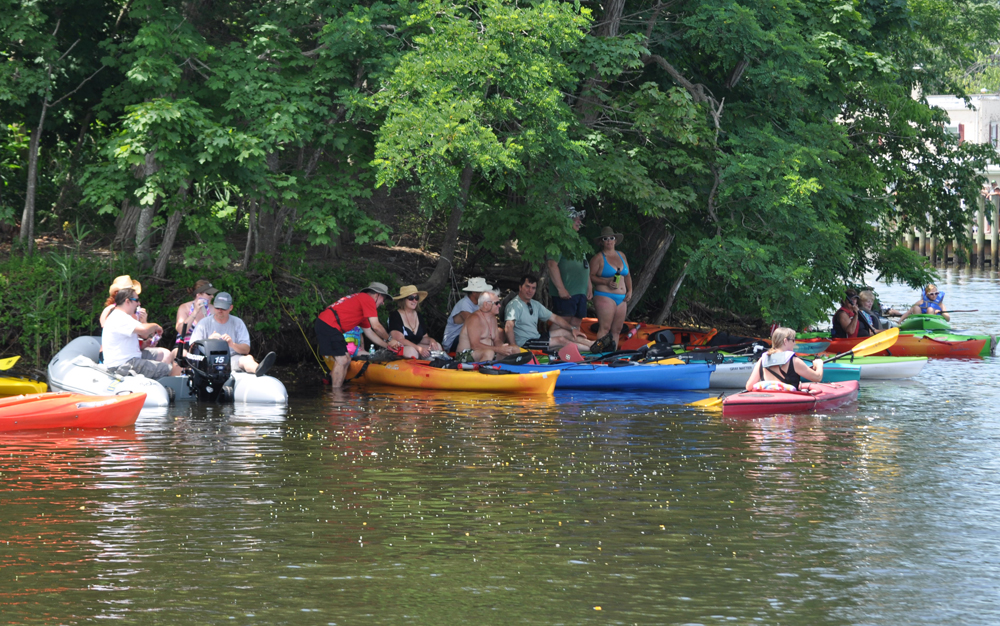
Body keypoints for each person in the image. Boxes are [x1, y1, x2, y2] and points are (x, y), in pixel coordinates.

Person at [316, 282, 402, 388]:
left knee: (347, 359)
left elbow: (369, 332)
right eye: (383, 299)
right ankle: (336, 395)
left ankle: (336, 388)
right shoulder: (367, 299)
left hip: (330, 326)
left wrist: (387, 346)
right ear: (377, 295)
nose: (383, 303)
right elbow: (376, 326)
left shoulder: (361, 304)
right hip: (328, 324)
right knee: (342, 359)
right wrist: (390, 339)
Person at [188, 291, 277, 377]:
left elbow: (246, 349)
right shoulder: (204, 323)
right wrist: (209, 342)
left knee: (247, 358)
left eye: (223, 308)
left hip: (231, 359)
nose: (220, 310)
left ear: (230, 308)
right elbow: (193, 347)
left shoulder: (238, 323)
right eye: (217, 307)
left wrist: (232, 344)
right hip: (209, 361)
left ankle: (258, 369)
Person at [102, 287, 182, 379]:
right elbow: (144, 330)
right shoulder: (120, 317)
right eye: (136, 300)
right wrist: (156, 326)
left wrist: (144, 344)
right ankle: (171, 390)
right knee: (173, 369)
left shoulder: (122, 316)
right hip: (124, 365)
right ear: (127, 301)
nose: (139, 303)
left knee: (163, 354)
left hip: (128, 360)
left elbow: (144, 335)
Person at [503, 274, 593, 353]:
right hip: (525, 344)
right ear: (520, 287)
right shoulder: (514, 305)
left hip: (536, 338)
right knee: (560, 340)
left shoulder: (535, 304)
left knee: (564, 332)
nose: (530, 290)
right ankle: (591, 349)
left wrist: (572, 328)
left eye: (533, 288)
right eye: (527, 286)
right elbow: (508, 326)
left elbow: (555, 318)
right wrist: (513, 346)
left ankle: (593, 344)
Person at [99, 274, 173, 364]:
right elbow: (105, 325)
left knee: (165, 354)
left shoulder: (134, 311)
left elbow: (143, 334)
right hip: (114, 352)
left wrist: (144, 321)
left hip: (133, 349)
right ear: (118, 294)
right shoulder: (111, 310)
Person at [546, 206, 593, 329]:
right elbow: (552, 264)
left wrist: (589, 286)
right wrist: (561, 289)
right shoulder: (559, 240)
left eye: (579, 219)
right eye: (576, 219)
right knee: (563, 321)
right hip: (567, 291)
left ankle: (570, 348)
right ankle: (552, 347)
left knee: (577, 321)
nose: (579, 222)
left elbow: (584, 264)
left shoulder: (579, 241)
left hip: (580, 291)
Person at [588, 226, 632, 350]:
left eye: (611, 238)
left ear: (615, 240)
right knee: (605, 328)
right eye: (605, 238)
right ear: (602, 241)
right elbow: (590, 276)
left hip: (622, 298)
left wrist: (630, 290)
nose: (609, 240)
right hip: (605, 296)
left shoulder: (621, 255)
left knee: (617, 330)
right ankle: (599, 355)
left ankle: (611, 355)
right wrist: (605, 282)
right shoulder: (598, 258)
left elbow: (627, 275)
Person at [745, 327, 823, 391]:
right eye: (793, 340)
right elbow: (817, 377)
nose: (794, 343)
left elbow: (749, 387)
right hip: (789, 403)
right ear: (785, 341)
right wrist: (819, 364)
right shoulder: (794, 361)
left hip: (768, 400)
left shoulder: (762, 360)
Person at [456, 291, 521, 362]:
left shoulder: (493, 318)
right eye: (496, 303)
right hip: (465, 354)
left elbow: (496, 340)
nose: (499, 305)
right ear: (486, 304)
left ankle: (510, 372)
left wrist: (503, 347)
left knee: (515, 349)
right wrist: (498, 349)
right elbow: (475, 345)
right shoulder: (475, 318)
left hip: (487, 353)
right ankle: (483, 371)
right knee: (489, 353)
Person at [388, 285, 443, 359]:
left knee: (437, 346)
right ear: (403, 300)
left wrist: (431, 341)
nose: (414, 301)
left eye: (416, 298)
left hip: (417, 346)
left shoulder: (418, 315)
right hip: (401, 348)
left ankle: (434, 367)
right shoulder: (395, 315)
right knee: (412, 351)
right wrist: (419, 349)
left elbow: (424, 337)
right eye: (411, 298)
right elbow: (399, 339)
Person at [442, 277, 492, 352]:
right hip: (453, 341)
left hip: (468, 337)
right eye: (483, 292)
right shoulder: (464, 305)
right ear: (474, 292)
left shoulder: (479, 303)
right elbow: (474, 325)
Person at [174, 279, 218, 352]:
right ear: (198, 295)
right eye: (209, 294)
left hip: (204, 346)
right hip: (184, 345)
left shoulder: (212, 309)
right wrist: (195, 312)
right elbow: (181, 330)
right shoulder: (184, 308)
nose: (212, 296)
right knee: (183, 355)